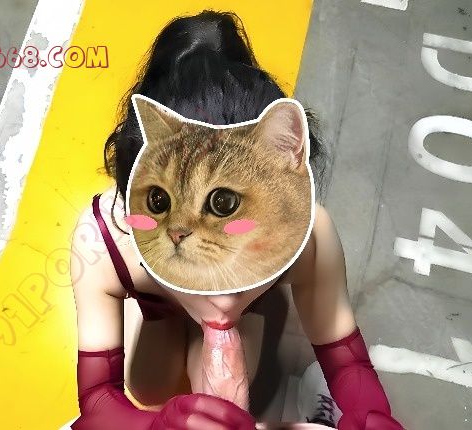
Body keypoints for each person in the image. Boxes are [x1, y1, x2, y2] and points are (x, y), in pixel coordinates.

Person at [70, 9, 404, 430]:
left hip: (241, 315)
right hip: (156, 299)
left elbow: (346, 359)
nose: (223, 298)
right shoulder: (103, 241)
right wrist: (154, 425)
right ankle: (157, 314)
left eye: (224, 204)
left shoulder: (310, 235)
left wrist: (370, 416)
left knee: (230, 389)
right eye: (159, 200)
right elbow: (97, 399)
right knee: (150, 389)